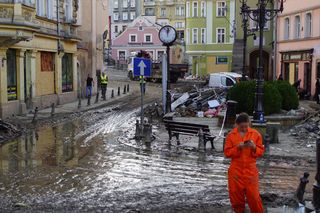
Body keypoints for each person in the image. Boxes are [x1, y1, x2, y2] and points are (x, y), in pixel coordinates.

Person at [224, 113, 265, 213]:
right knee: (236, 198)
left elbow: (261, 152)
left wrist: (254, 147)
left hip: (251, 171)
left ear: (249, 123)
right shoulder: (231, 135)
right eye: (242, 127)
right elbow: (227, 153)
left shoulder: (255, 134)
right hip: (235, 171)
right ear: (237, 125)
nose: (244, 129)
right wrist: (237, 148)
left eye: (246, 126)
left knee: (254, 198)